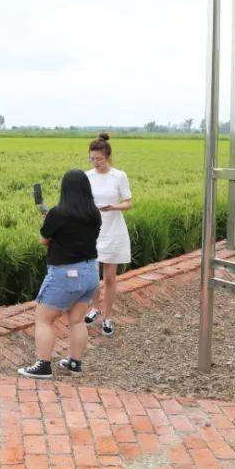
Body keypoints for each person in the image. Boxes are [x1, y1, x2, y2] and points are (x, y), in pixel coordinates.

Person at [18, 169, 101, 379]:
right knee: (77, 320)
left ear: (65, 189)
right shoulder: (94, 213)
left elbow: (44, 240)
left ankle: (43, 366)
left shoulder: (57, 213)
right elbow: (77, 234)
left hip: (65, 274)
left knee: (43, 319)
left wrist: (50, 220)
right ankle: (74, 363)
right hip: (90, 272)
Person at [84, 133, 132, 336]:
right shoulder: (87, 176)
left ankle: (108, 317)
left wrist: (113, 207)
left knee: (110, 278)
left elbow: (129, 202)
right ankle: (94, 307)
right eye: (92, 159)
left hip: (113, 230)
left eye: (99, 159)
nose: (96, 163)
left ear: (108, 157)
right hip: (92, 230)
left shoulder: (119, 176)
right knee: (92, 275)